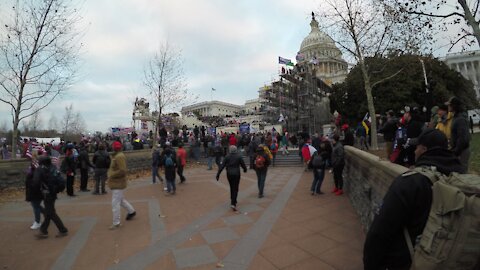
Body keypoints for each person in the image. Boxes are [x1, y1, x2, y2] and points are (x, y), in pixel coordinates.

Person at [363, 128, 464, 270]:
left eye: (416, 147)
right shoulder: (461, 179)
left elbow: (379, 233)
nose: (415, 151)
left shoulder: (410, 183)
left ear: (424, 149)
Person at [33, 156, 68, 238]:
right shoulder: (53, 168)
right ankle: (43, 230)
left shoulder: (41, 169)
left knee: (51, 213)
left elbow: (36, 182)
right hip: (53, 192)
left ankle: (63, 230)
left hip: (47, 193)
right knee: (49, 212)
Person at [108, 141, 136, 230]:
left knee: (115, 203)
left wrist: (112, 175)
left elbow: (122, 170)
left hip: (118, 183)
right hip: (116, 182)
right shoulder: (116, 156)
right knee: (120, 200)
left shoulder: (119, 156)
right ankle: (131, 211)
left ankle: (116, 222)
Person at [216, 145, 247, 211]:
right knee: (235, 188)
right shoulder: (239, 156)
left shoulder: (227, 156)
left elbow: (222, 166)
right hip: (237, 174)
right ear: (236, 150)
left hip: (229, 174)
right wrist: (245, 169)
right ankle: (233, 202)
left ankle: (233, 200)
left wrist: (218, 174)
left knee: (231, 187)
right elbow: (243, 164)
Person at [447, 96, 471, 172]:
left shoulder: (460, 119)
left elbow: (463, 139)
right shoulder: (456, 117)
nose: (448, 106)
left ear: (454, 106)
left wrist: (456, 152)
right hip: (457, 150)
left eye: (449, 105)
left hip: (462, 151)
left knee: (461, 174)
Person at [25, 149, 43, 230]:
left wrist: (32, 184)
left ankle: (37, 222)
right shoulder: (34, 164)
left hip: (36, 188)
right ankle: (49, 215)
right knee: (36, 205)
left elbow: (36, 177)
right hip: (34, 188)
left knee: (35, 205)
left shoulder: (36, 164)